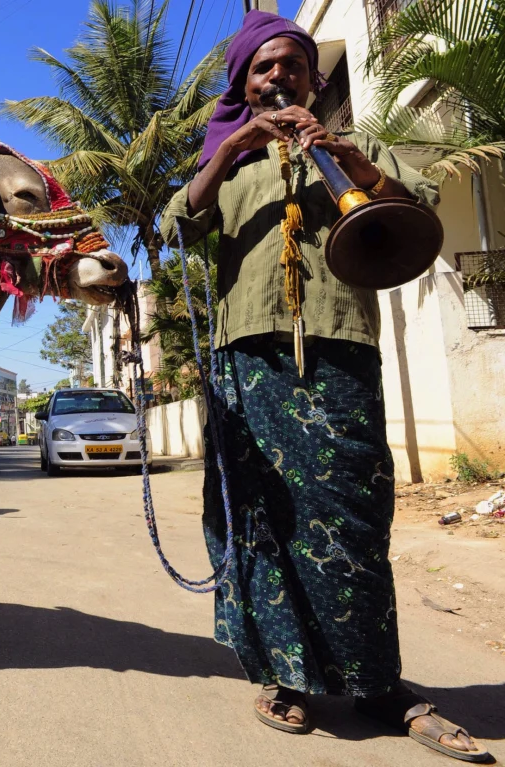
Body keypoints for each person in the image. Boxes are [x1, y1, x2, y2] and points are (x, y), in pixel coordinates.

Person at [160, 10, 489, 763]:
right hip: (246, 361)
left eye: (292, 66)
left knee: (352, 520)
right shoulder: (227, 157)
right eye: (262, 69)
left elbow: (418, 205)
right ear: (244, 83)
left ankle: (377, 683)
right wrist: (234, 149)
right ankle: (285, 676)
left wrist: (345, 156)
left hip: (340, 350)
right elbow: (180, 224)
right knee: (261, 523)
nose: (278, 77)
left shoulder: (352, 143)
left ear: (312, 76)